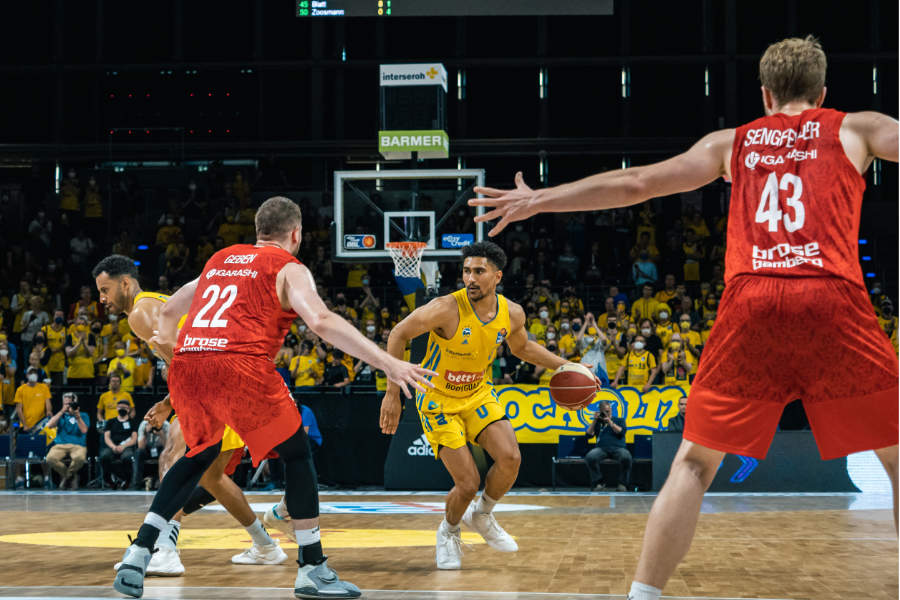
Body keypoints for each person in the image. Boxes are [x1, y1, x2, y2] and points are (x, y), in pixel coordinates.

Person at [469, 35, 899, 600]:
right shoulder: (856, 127)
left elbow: (637, 182)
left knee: (695, 464)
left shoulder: (731, 142)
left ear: (766, 94)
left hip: (752, 301)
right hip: (833, 299)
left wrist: (542, 199)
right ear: (823, 93)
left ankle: (644, 594)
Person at [111, 196, 434, 599]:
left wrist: (184, 346)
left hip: (189, 364)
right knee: (297, 454)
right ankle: (312, 566)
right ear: (295, 234)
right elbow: (320, 320)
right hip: (240, 365)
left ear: (258, 229)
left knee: (198, 455)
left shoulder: (221, 259)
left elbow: (169, 312)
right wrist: (388, 363)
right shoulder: (288, 267)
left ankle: (139, 551)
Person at [379, 241, 584, 570]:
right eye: (466, 271)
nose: (470, 278)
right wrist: (393, 392)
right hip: (438, 399)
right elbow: (399, 333)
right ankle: (448, 531)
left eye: (479, 271)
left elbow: (522, 348)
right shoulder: (445, 308)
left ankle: (484, 515)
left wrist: (569, 367)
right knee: (467, 482)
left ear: (497, 276)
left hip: (477, 393)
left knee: (511, 457)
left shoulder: (512, 313)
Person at [94, 255, 287, 577]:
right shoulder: (155, 304)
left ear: (124, 283)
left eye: (105, 289)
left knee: (172, 457)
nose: (102, 299)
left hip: (212, 383)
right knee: (211, 477)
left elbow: (186, 359)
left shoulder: (140, 313)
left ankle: (165, 551)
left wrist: (173, 404)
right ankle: (266, 547)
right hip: (226, 378)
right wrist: (171, 401)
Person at [45, 392, 89, 489]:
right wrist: (61, 411)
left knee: (79, 459)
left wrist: (77, 416)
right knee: (50, 458)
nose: (68, 406)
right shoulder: (60, 416)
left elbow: (84, 430)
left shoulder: (83, 415)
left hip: (78, 445)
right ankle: (71, 476)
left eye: (70, 403)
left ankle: (66, 478)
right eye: (66, 404)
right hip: (60, 445)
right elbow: (49, 425)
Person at [585, 400, 631, 491]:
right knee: (590, 457)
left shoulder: (619, 420)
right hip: (601, 449)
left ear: (611, 409)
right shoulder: (598, 422)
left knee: (626, 457)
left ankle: (622, 484)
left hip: (618, 448)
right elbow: (588, 435)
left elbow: (621, 432)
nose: (607, 413)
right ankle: (599, 482)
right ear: (600, 411)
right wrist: (594, 420)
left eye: (608, 411)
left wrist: (610, 422)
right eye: (605, 411)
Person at [101, 399, 138, 489]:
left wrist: (123, 446)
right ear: (117, 408)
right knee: (104, 456)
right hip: (112, 446)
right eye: (120, 407)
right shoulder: (111, 421)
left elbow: (134, 438)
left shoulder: (132, 422)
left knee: (127, 458)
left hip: (126, 447)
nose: (122, 409)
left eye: (124, 407)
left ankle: (127, 480)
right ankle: (109, 480)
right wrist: (114, 447)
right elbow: (106, 437)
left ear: (128, 409)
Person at [134, 419, 169, 490]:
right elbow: (141, 447)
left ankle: (162, 482)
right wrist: (145, 433)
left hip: (161, 449)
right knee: (138, 452)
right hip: (147, 449)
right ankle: (137, 484)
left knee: (166, 453)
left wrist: (161, 434)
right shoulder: (144, 424)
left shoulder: (166, 425)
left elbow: (167, 447)